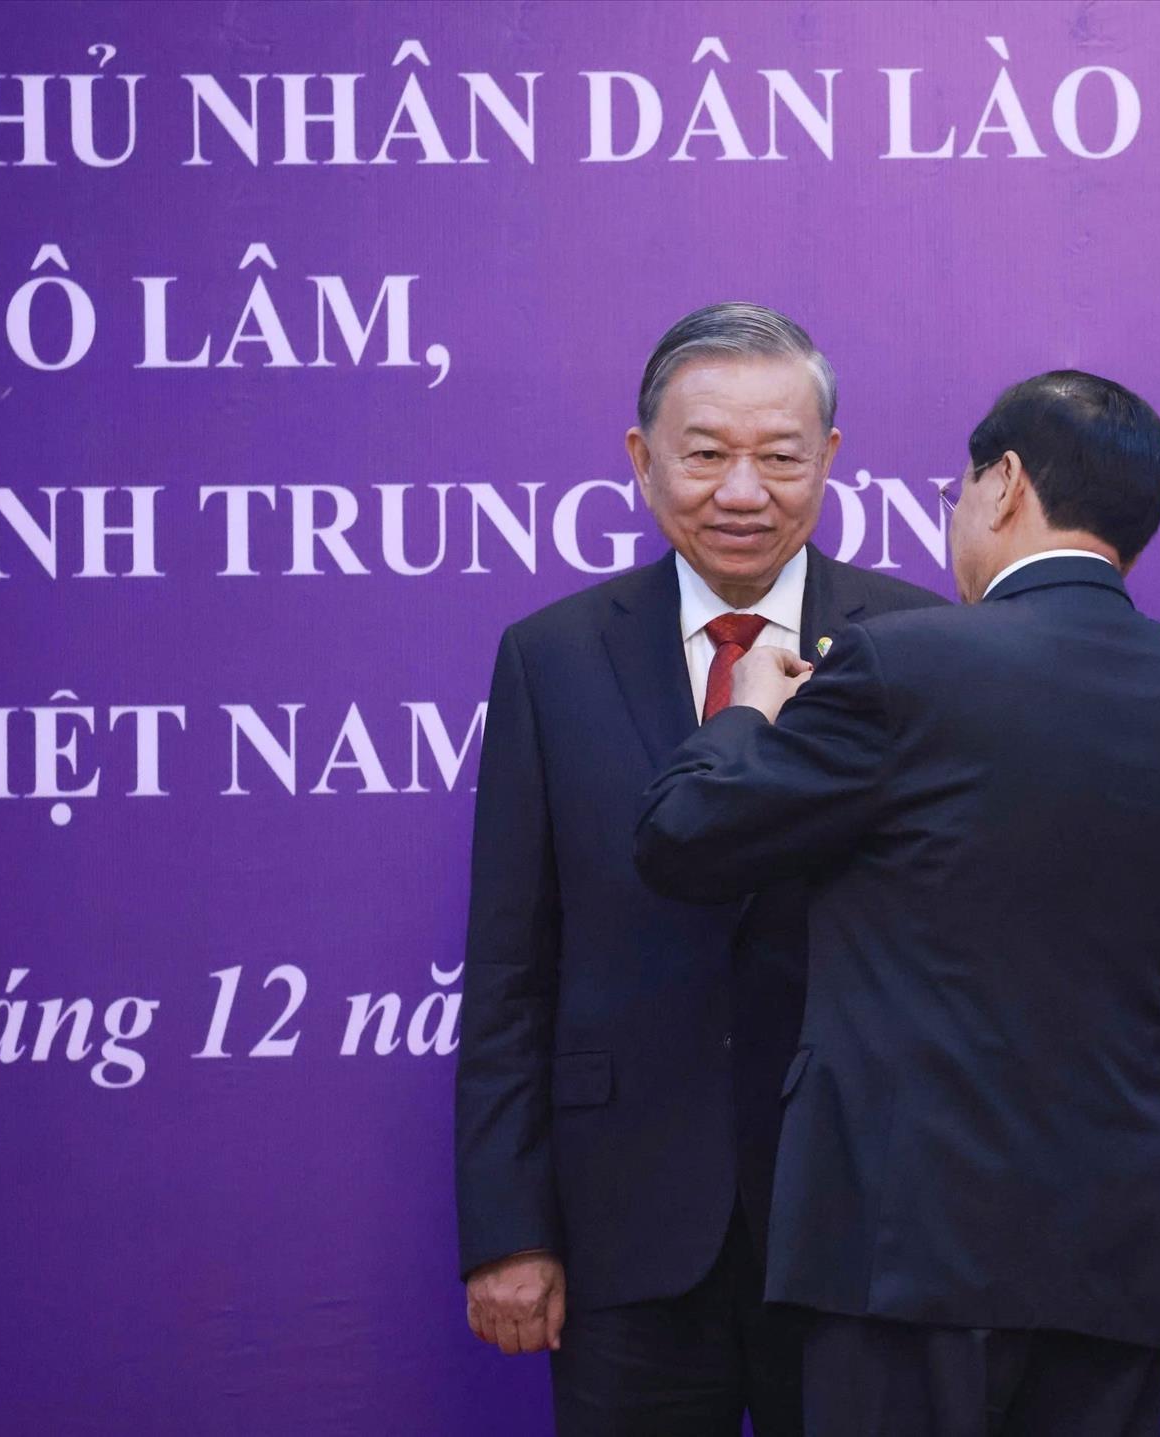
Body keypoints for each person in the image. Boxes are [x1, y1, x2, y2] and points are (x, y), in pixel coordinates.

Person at [635, 370, 1160, 1437]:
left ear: (1003, 483)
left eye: (958, 490)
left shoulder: (906, 663)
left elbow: (684, 838)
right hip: (1107, 1263)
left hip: (906, 1252)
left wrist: (749, 712)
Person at [454, 303, 943, 1436]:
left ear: (830, 458)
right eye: (708, 454)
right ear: (642, 459)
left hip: (861, 1224)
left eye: (781, 457)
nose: (743, 492)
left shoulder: (919, 644)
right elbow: (511, 965)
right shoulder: (552, 657)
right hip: (625, 1223)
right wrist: (508, 1229)